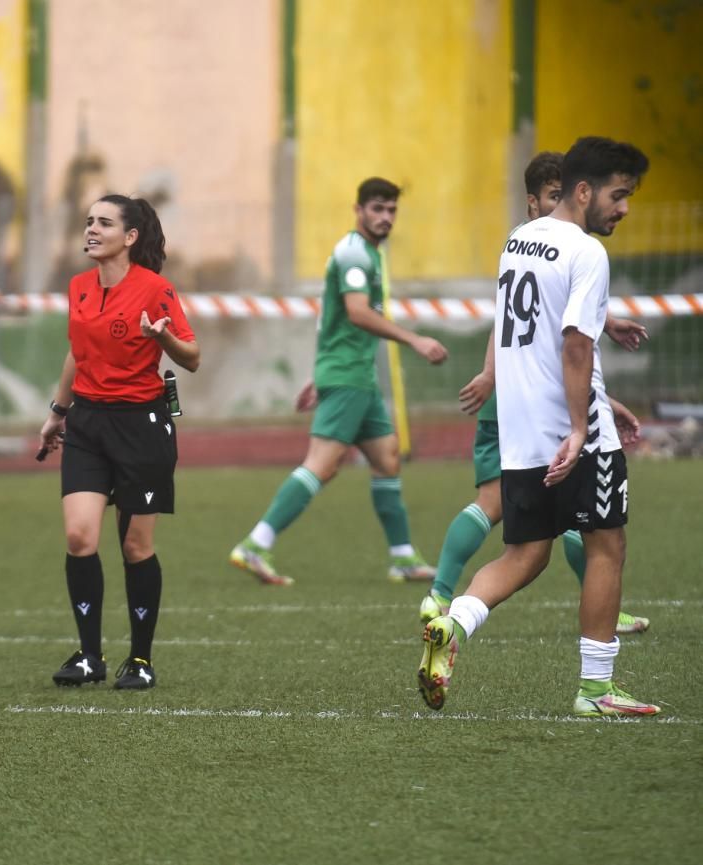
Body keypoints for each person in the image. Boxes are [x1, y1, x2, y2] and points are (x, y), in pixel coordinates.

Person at [418, 136, 659, 717]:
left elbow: (537, 321)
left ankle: (453, 625)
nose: (623, 208)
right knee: (607, 546)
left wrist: (604, 379)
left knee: (527, 554)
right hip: (575, 433)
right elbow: (574, 345)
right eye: (618, 195)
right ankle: (596, 688)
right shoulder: (587, 252)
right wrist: (583, 425)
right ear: (584, 190)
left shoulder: (518, 240)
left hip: (521, 427)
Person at [228, 178, 447, 586]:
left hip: (353, 375)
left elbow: (331, 318)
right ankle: (255, 544)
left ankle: (402, 557)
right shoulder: (353, 253)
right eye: (377, 208)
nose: (385, 217)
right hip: (348, 376)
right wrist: (414, 338)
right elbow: (357, 312)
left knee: (386, 459)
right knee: (322, 465)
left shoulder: (367, 253)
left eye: (391, 210)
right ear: (358, 209)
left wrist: (317, 374)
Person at [38, 194, 199, 690]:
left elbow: (191, 356)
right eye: (88, 221)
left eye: (103, 223)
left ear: (129, 237)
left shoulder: (156, 289)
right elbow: (76, 353)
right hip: (87, 425)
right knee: (79, 537)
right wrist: (57, 413)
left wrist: (162, 337)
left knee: (135, 545)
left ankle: (141, 660)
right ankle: (90, 656)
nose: (91, 229)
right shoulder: (79, 287)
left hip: (142, 426)